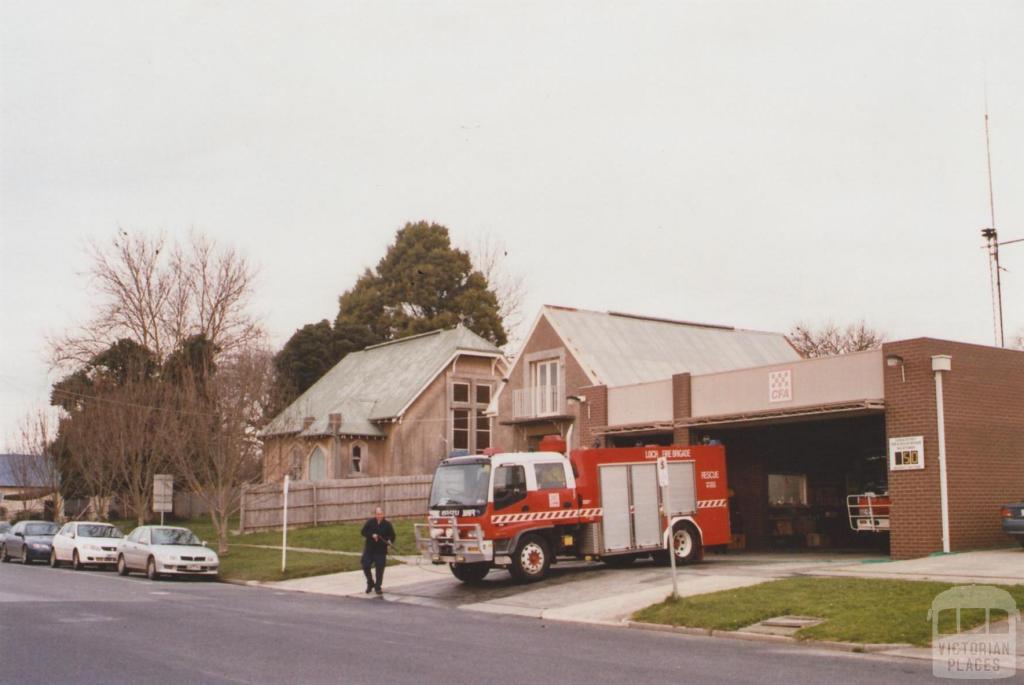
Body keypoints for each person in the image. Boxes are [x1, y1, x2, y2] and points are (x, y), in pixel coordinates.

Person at [360, 506, 395, 595]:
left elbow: (392, 535)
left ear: (383, 514)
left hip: (381, 550)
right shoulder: (370, 522)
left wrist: (390, 541)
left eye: (380, 514)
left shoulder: (387, 524)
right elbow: (363, 532)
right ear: (375, 514)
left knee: (380, 569)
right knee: (365, 565)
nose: (379, 516)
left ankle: (377, 586)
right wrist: (372, 535)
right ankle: (370, 582)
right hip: (370, 549)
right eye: (377, 514)